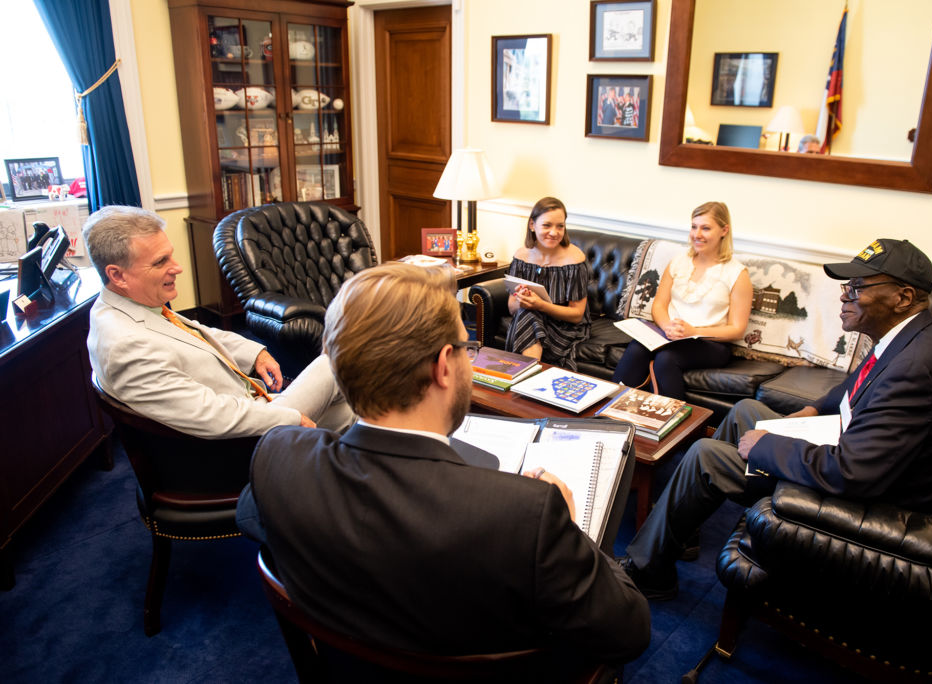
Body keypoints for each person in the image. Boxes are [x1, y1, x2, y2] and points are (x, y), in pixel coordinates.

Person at [244, 262, 650, 669]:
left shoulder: (279, 456)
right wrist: (577, 533)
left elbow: (251, 514)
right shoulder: (528, 514)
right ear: (443, 366)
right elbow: (629, 631)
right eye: (466, 346)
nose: (469, 360)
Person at [618, 238, 932, 600]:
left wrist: (767, 445)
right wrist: (812, 410)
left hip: (879, 501)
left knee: (707, 455)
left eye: (857, 288)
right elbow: (855, 385)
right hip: (855, 449)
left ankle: (648, 572)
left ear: (903, 297)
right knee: (744, 411)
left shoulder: (914, 369)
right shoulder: (911, 337)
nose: (844, 296)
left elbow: (852, 472)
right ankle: (681, 526)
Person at [85, 205, 354, 439]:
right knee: (333, 360)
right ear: (117, 275)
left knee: (352, 411)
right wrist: (290, 419)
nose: (177, 267)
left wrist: (255, 353)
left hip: (250, 406)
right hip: (235, 445)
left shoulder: (129, 307)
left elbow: (196, 333)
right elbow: (210, 415)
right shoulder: (126, 345)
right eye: (160, 262)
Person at [612, 201, 753, 399]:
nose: (697, 234)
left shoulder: (737, 273)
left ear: (724, 230)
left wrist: (694, 331)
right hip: (669, 334)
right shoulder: (678, 262)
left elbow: (736, 329)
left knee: (666, 359)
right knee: (636, 348)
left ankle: (672, 424)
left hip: (709, 343)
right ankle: (608, 412)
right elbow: (659, 306)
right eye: (694, 227)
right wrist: (667, 326)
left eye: (706, 228)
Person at [506, 197, 591, 370]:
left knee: (529, 316)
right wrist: (522, 300)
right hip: (530, 319)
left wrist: (540, 305)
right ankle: (530, 376)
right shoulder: (521, 257)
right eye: (547, 225)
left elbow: (577, 315)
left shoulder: (574, 260)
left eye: (560, 226)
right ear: (532, 225)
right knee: (527, 314)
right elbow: (512, 308)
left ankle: (522, 377)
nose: (554, 232)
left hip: (564, 326)